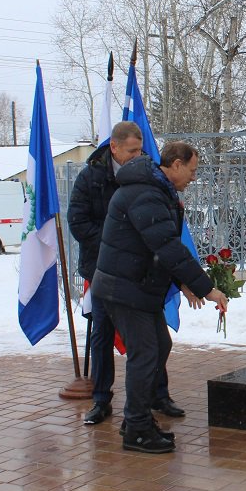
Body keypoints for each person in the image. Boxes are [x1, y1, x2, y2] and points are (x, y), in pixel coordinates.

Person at [91, 141, 231, 454]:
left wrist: (183, 282)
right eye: (192, 170)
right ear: (176, 164)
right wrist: (207, 288)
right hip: (124, 289)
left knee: (158, 347)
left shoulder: (156, 190)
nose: (194, 177)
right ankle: (137, 430)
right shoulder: (146, 193)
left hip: (137, 287)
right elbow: (166, 246)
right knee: (145, 353)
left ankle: (137, 419)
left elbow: (158, 247)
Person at [68, 122, 186, 426]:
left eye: (140, 150)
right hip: (101, 268)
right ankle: (101, 399)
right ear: (114, 148)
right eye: (131, 151)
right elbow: (78, 223)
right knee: (102, 334)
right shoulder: (91, 177)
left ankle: (158, 394)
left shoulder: (145, 177)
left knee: (152, 339)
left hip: (141, 274)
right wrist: (117, 238)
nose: (136, 156)